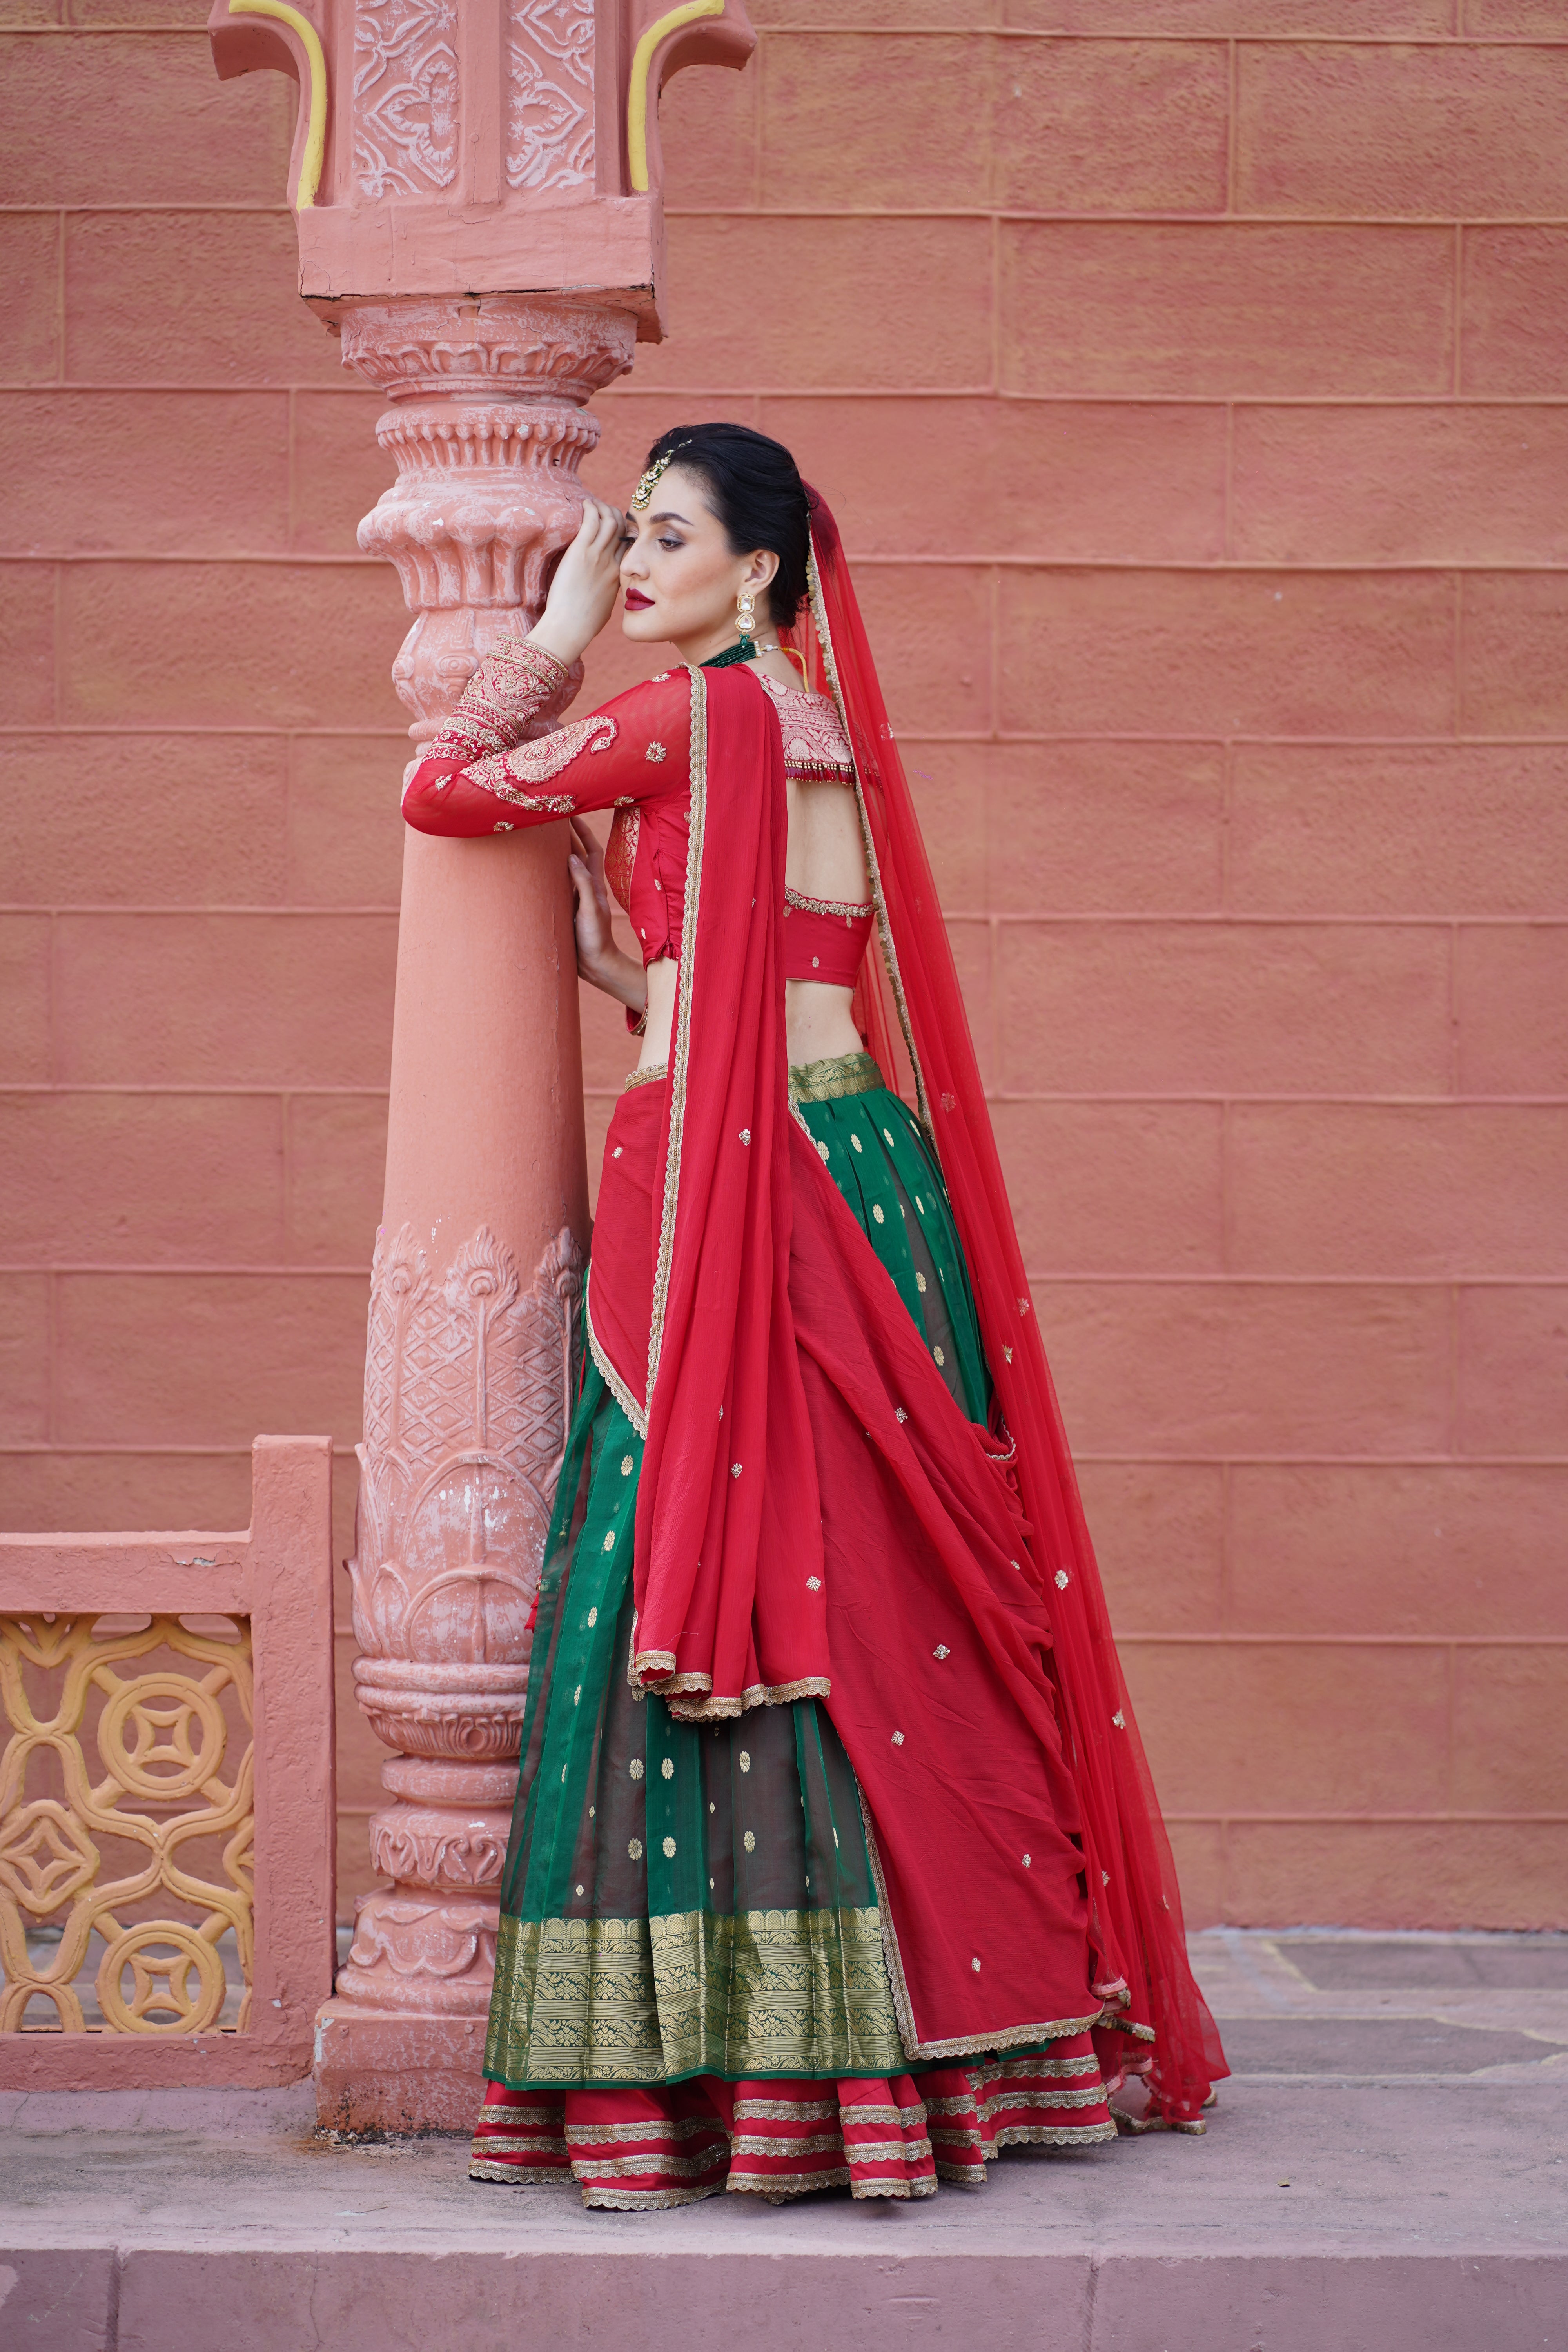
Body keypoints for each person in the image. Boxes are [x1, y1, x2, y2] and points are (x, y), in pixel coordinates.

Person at [402, 424, 1227, 2208]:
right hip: (867, 1166)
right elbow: (783, 956)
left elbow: (447, 791)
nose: (632, 568)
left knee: (695, 1561)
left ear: (758, 567)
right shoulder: (820, 719)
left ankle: (717, 2076)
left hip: (735, 1184)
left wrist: (540, 637)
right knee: (890, 1579)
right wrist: (643, 981)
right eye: (619, 545)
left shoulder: (688, 711)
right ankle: (973, 2048)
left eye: (659, 539)